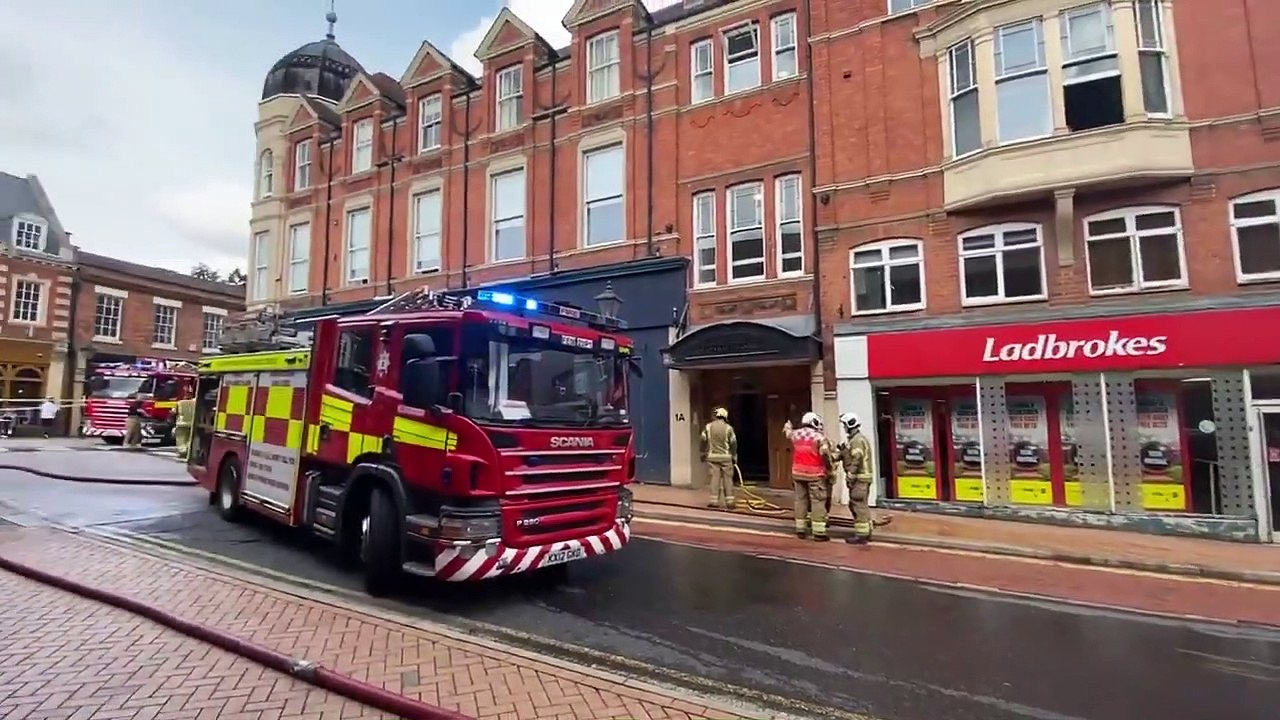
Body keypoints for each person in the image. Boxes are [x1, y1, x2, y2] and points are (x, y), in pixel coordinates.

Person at [782, 411, 833, 541]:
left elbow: (788, 433)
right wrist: (829, 469)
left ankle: (800, 529)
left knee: (800, 501)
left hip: (798, 473)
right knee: (817, 502)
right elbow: (826, 455)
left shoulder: (796, 434)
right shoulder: (819, 437)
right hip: (815, 475)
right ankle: (819, 532)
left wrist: (788, 426)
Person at [838, 412, 875, 544]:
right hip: (863, 478)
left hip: (859, 478)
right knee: (861, 505)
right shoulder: (857, 439)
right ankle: (867, 530)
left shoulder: (857, 440)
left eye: (844, 425)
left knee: (857, 504)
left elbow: (857, 458)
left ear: (849, 424)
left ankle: (862, 535)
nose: (844, 428)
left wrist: (851, 475)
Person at [700, 407, 738, 509]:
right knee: (728, 479)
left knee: (714, 479)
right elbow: (733, 443)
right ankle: (729, 502)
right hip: (726, 458)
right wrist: (734, 456)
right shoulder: (729, 428)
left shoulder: (708, 427)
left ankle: (714, 501)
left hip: (713, 457)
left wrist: (703, 453)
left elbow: (703, 440)